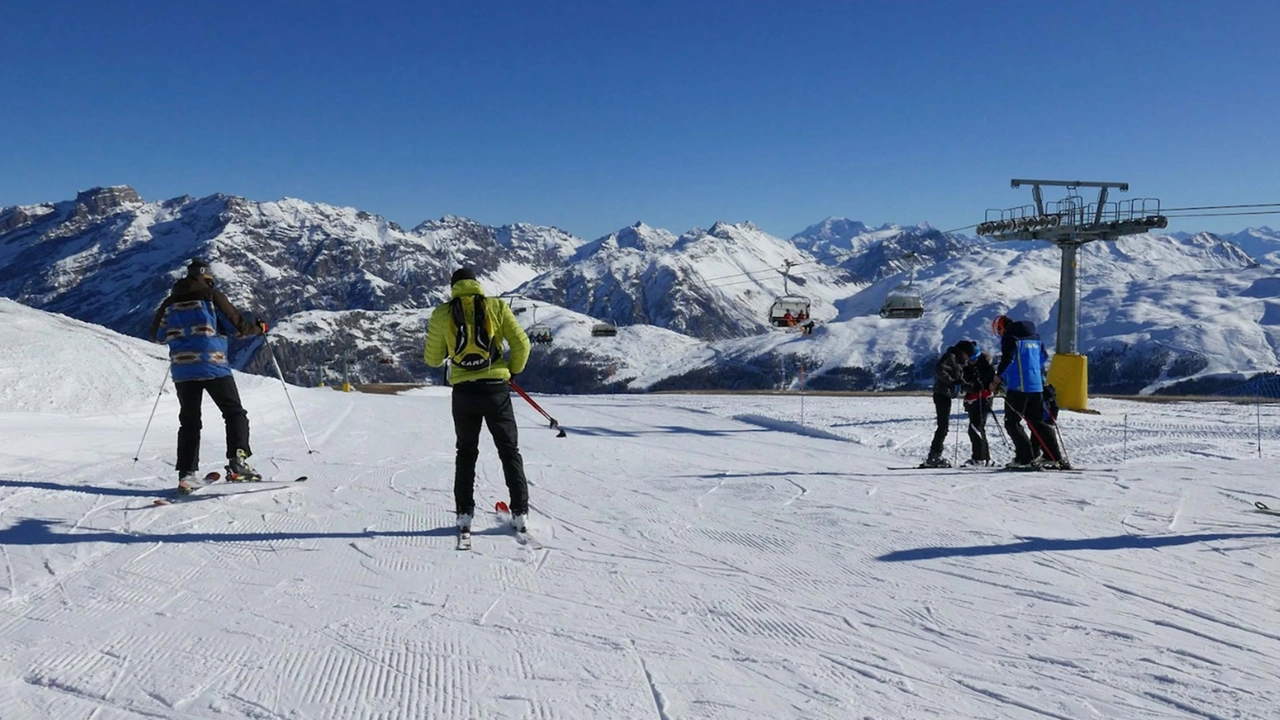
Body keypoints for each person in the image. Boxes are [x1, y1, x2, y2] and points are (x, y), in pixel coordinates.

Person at [424, 268, 533, 534]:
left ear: (453, 287)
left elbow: (432, 359)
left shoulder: (442, 313)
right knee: (509, 451)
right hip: (496, 390)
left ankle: (464, 515)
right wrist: (512, 371)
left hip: (464, 393)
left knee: (466, 453)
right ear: (477, 284)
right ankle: (520, 512)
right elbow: (522, 345)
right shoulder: (496, 306)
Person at [150, 259, 266, 492]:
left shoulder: (169, 302)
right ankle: (238, 463)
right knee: (234, 413)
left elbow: (157, 335)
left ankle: (187, 473)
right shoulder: (212, 296)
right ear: (208, 278)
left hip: (183, 371)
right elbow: (238, 328)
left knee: (190, 422)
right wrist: (259, 328)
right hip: (213, 366)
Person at [991, 315, 1069, 469]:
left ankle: (1025, 457)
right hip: (1036, 387)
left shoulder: (1010, 338)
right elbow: (1043, 357)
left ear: (1001, 328)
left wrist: (997, 378)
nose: (999, 334)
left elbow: (1008, 359)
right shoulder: (1035, 337)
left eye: (998, 331)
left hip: (1018, 387)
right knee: (1037, 422)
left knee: (1012, 423)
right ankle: (1053, 456)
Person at [923, 340, 974, 467]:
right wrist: (952, 382)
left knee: (943, 426)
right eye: (968, 355)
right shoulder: (950, 357)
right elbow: (939, 370)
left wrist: (971, 388)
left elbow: (959, 380)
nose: (967, 358)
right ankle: (933, 457)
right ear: (963, 352)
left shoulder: (956, 360)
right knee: (943, 427)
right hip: (941, 394)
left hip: (945, 394)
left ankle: (934, 456)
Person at [960, 343, 996, 466]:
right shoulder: (968, 368)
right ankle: (983, 458)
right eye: (970, 359)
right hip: (972, 400)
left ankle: (981, 458)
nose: (971, 361)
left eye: (974, 359)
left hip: (983, 400)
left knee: (976, 428)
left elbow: (983, 385)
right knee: (975, 428)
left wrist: (972, 386)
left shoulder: (987, 368)